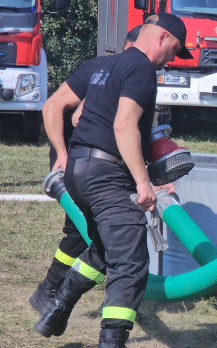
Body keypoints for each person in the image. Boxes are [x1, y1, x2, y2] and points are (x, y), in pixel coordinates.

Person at [33, 14, 191, 348]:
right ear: (162, 37)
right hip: (106, 174)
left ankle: (57, 307)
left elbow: (84, 116)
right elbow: (122, 126)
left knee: (105, 246)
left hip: (82, 171)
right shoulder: (141, 69)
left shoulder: (109, 65)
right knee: (131, 264)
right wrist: (143, 184)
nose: (172, 59)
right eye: (174, 50)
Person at [32, 26, 143, 316]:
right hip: (77, 160)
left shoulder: (133, 75)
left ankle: (54, 296)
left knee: (91, 234)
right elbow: (53, 106)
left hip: (98, 163)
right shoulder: (100, 67)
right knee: (82, 230)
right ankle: (50, 292)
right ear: (130, 47)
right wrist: (62, 155)